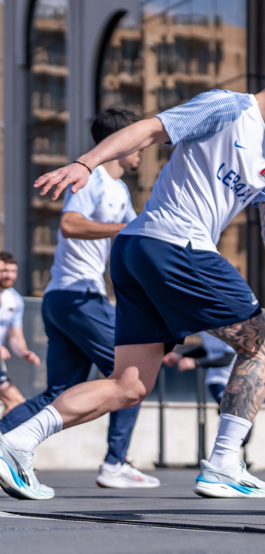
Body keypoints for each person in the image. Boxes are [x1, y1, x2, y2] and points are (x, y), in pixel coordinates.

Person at [0, 44, 265, 501]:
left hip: (136, 251)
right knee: (262, 346)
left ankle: (15, 442)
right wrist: (86, 163)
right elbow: (148, 129)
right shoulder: (228, 107)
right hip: (175, 244)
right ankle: (224, 464)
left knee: (128, 386)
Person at [0, 110, 160, 489]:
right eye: (138, 140)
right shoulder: (93, 178)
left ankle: (4, 442)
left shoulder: (119, 190)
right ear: (121, 140)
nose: (142, 148)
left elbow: (138, 236)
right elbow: (70, 224)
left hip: (66, 299)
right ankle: (115, 463)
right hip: (78, 297)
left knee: (59, 392)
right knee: (131, 378)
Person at [0, 254, 41, 413]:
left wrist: (24, 352)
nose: (9, 275)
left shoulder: (15, 299)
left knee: (16, 404)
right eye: (4, 271)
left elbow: (15, 336)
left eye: (13, 271)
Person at [163, 330, 238, 404]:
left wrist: (196, 362)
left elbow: (228, 359)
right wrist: (181, 355)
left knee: (231, 407)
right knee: (226, 405)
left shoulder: (229, 328)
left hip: (237, 379)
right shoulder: (205, 331)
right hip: (217, 379)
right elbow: (206, 349)